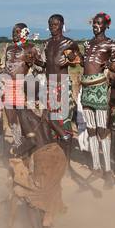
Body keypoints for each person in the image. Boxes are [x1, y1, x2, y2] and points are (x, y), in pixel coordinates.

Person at [6, 102, 68, 228]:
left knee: (31, 199)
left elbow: (32, 140)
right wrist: (53, 152)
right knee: (46, 199)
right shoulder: (46, 107)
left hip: (42, 159)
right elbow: (66, 138)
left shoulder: (23, 110)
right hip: (57, 156)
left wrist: (13, 151)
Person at [79, 12, 115, 189]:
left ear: (106, 25)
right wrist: (77, 59)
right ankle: (96, 168)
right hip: (86, 87)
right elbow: (85, 63)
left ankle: (108, 170)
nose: (95, 25)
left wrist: (112, 66)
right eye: (94, 23)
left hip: (100, 88)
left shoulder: (111, 43)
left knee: (102, 130)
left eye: (99, 23)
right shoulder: (87, 43)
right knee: (91, 129)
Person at [42, 14, 81, 173]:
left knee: (64, 121)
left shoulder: (69, 42)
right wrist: (34, 62)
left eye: (56, 24)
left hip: (63, 85)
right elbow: (46, 65)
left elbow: (80, 59)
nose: (53, 26)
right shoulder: (46, 43)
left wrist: (73, 57)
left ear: (62, 25)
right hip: (50, 85)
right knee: (51, 121)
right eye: (50, 23)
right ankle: (55, 159)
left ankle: (67, 163)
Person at [3, 23, 41, 150]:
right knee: (12, 122)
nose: (15, 33)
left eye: (18, 31)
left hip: (22, 87)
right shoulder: (9, 49)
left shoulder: (32, 48)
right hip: (8, 87)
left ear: (25, 32)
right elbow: (6, 67)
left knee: (25, 121)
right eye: (14, 31)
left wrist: (34, 62)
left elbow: (41, 68)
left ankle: (30, 148)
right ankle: (20, 148)